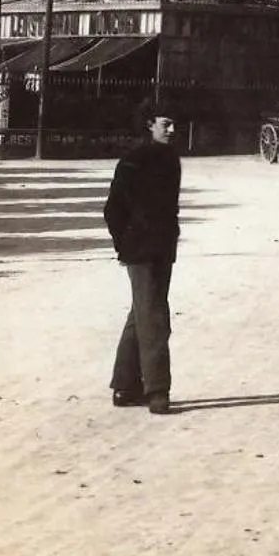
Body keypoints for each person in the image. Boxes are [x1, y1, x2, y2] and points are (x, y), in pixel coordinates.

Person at [103, 106, 182, 414]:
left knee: (142, 313)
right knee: (155, 318)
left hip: (163, 247)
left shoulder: (172, 159)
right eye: (167, 123)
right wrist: (124, 245)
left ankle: (125, 386)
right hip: (140, 249)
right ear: (150, 124)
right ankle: (158, 389)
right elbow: (113, 209)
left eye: (174, 123)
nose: (172, 129)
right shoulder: (133, 160)